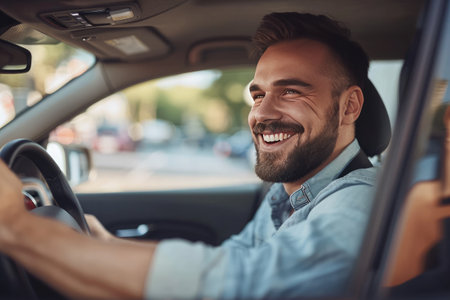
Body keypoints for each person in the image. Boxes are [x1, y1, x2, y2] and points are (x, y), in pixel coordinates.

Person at [0, 12, 385, 299]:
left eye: (291, 91)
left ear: (349, 106)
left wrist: (18, 227)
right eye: (258, 94)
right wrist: (104, 244)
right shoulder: (292, 191)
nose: (262, 114)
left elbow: (247, 283)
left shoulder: (360, 201)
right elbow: (234, 256)